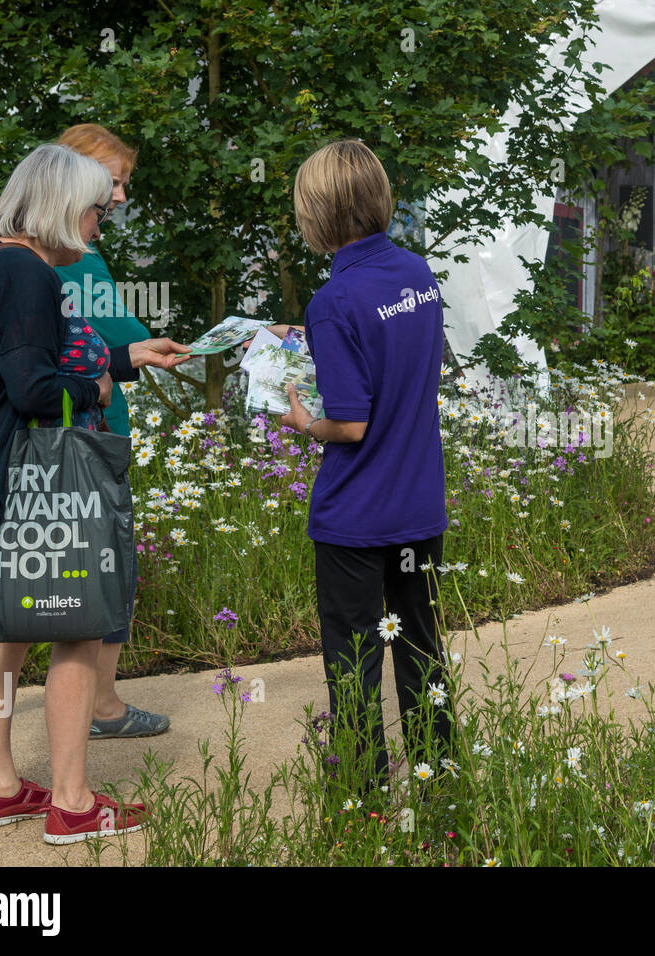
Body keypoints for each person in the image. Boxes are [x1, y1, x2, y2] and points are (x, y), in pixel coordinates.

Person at [0, 143, 189, 843]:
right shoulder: (29, 276)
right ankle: (75, 803)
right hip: (43, 489)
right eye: (95, 203)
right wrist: (95, 386)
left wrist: (124, 357)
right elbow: (33, 387)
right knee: (79, 631)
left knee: (2, 636)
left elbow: (0, 362)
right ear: (62, 205)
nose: (104, 213)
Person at [279, 139, 453, 790]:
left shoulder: (333, 302)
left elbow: (350, 423)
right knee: (422, 654)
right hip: (417, 507)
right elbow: (396, 363)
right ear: (378, 198)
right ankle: (444, 787)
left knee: (353, 663)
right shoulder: (418, 275)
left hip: (354, 518)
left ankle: (362, 798)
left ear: (317, 214)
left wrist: (303, 423)